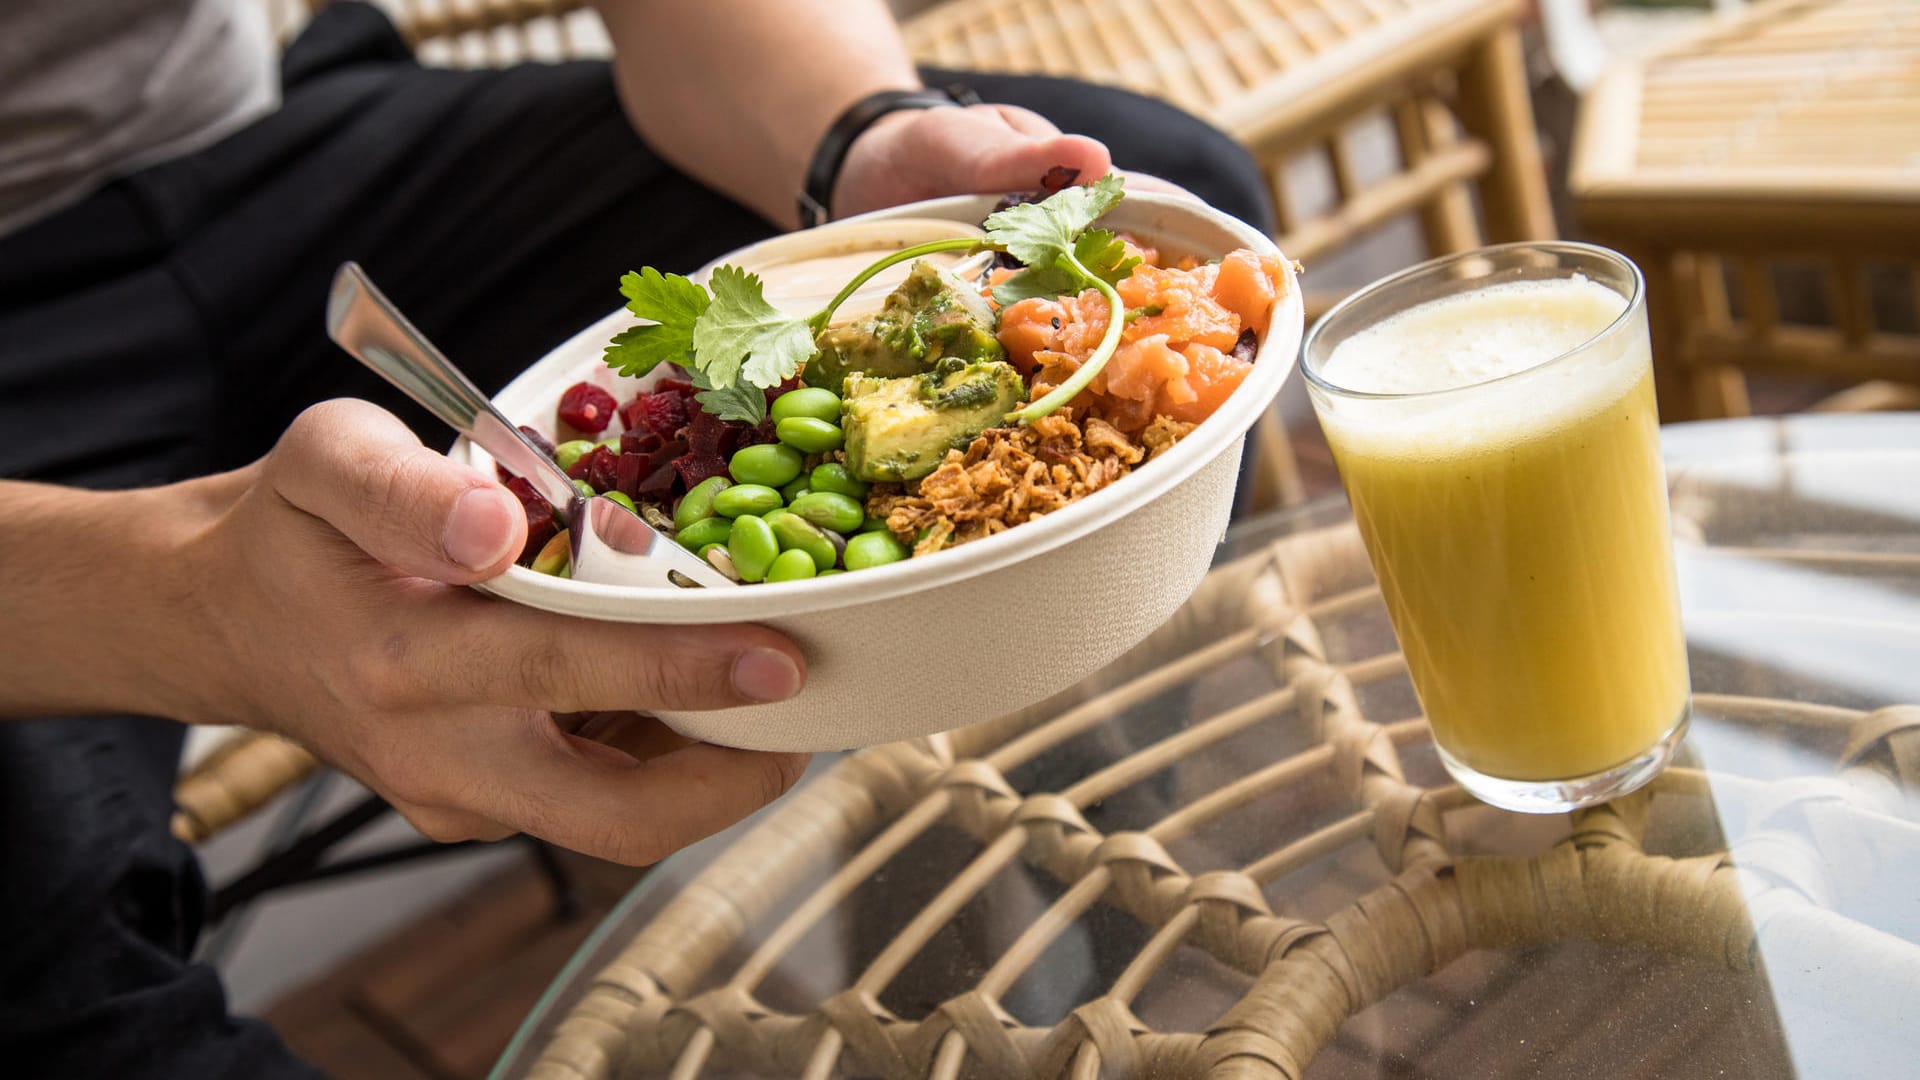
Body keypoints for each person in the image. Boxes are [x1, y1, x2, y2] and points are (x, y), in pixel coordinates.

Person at [0, 0, 1271, 1074]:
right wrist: (184, 602)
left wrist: (856, 136)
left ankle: (1028, 942)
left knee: (1165, 191)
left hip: (280, 131)